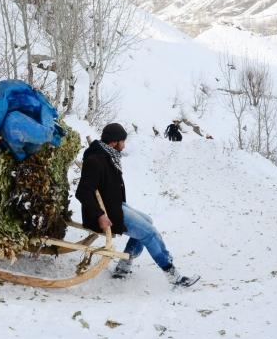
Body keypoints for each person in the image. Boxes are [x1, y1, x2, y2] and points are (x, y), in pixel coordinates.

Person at [75, 122, 199, 287]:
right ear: (113, 142)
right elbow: (83, 192)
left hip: (115, 206)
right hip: (108, 213)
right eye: (122, 141)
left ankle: (123, 266)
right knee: (150, 233)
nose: (124, 145)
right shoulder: (96, 160)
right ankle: (172, 274)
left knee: (148, 221)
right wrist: (100, 215)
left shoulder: (107, 155)